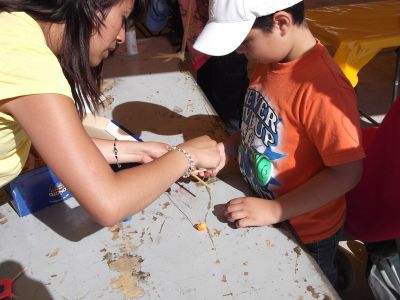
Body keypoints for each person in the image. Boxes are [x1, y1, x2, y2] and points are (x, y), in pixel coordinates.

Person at [0, 0, 220, 226]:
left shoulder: (16, 31)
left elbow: (62, 146)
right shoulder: (26, 60)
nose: (121, 37)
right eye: (123, 17)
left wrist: (141, 150)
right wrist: (186, 155)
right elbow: (109, 203)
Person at [193, 0, 365, 288]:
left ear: (281, 24)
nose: (239, 51)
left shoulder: (324, 90)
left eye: (245, 42)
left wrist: (276, 210)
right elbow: (259, 121)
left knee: (310, 283)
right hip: (263, 207)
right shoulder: (269, 60)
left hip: (306, 229)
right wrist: (230, 148)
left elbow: (347, 173)